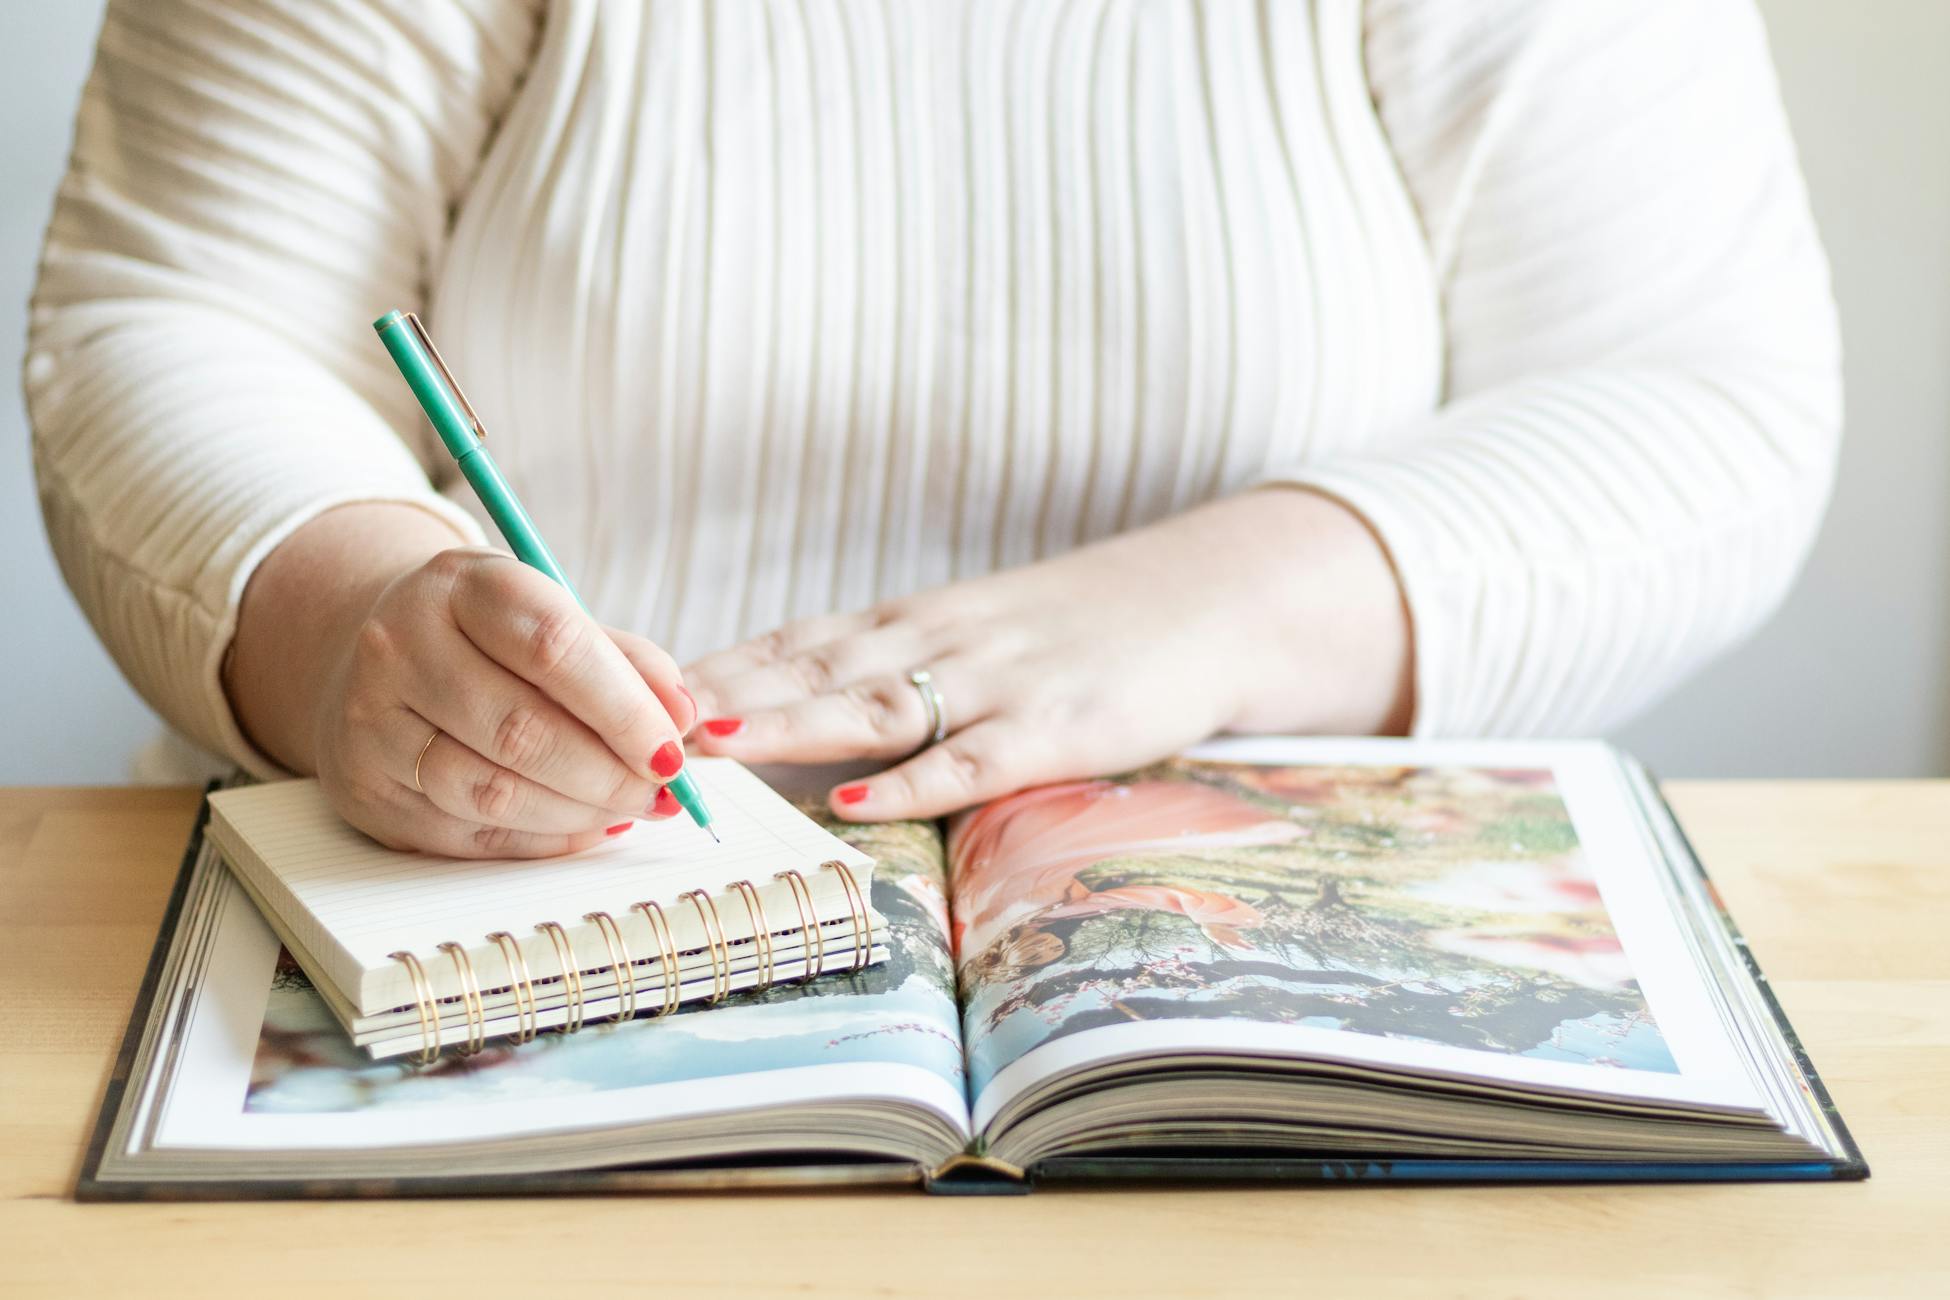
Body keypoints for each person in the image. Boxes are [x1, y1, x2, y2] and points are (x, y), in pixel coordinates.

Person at [27, 0, 1840, 857]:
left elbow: (1701, 392)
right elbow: (177, 320)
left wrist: (1199, 612)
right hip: (504, 890)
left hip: (1243, 937)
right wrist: (359, 623)